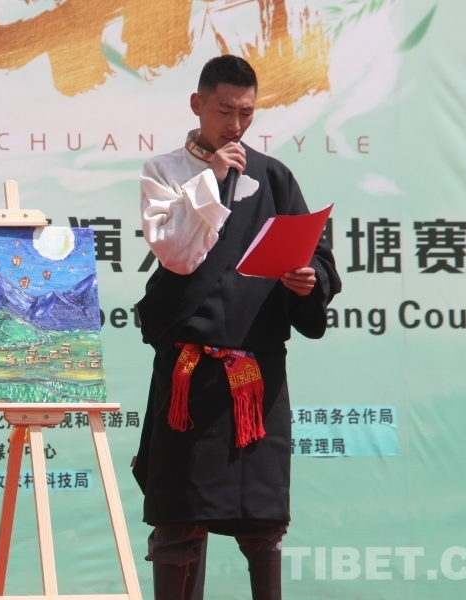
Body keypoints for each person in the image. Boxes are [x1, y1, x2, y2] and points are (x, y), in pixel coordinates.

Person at [132, 55, 342, 600]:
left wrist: (308, 280)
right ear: (198, 104)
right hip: (189, 376)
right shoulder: (164, 171)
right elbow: (175, 255)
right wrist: (214, 179)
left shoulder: (273, 177)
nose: (236, 124)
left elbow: (317, 256)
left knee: (262, 526)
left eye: (246, 112)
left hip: (256, 373)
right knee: (178, 523)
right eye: (225, 110)